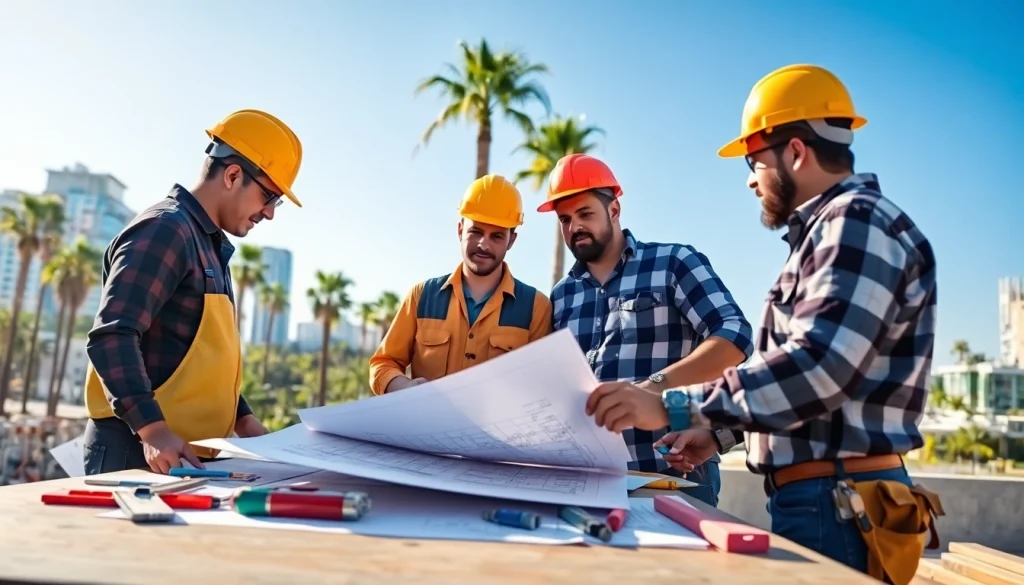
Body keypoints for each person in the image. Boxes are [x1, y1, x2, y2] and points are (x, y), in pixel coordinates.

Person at [584, 64, 941, 580]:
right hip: (827, 499)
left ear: (795, 151)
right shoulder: (833, 235)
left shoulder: (855, 224)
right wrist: (722, 432)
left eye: (754, 161)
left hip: (839, 505)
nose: (751, 180)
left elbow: (819, 368)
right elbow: (812, 394)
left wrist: (674, 408)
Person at [83, 109, 304, 475]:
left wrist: (244, 420)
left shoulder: (210, 247)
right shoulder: (165, 230)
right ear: (233, 175)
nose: (269, 213)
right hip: (137, 453)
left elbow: (198, 358)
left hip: (183, 458)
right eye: (269, 196)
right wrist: (152, 430)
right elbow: (112, 336)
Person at [540, 153, 754, 508]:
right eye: (564, 219)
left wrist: (655, 390)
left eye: (585, 214)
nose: (574, 226)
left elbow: (735, 335)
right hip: (588, 482)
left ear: (614, 210)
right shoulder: (562, 295)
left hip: (673, 477)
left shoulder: (674, 262)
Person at [369, 174, 552, 394]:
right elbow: (383, 363)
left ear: (511, 240)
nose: (483, 244)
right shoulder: (422, 297)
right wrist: (405, 386)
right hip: (427, 427)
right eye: (476, 232)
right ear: (460, 230)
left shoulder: (536, 308)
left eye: (496, 236)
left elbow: (542, 386)